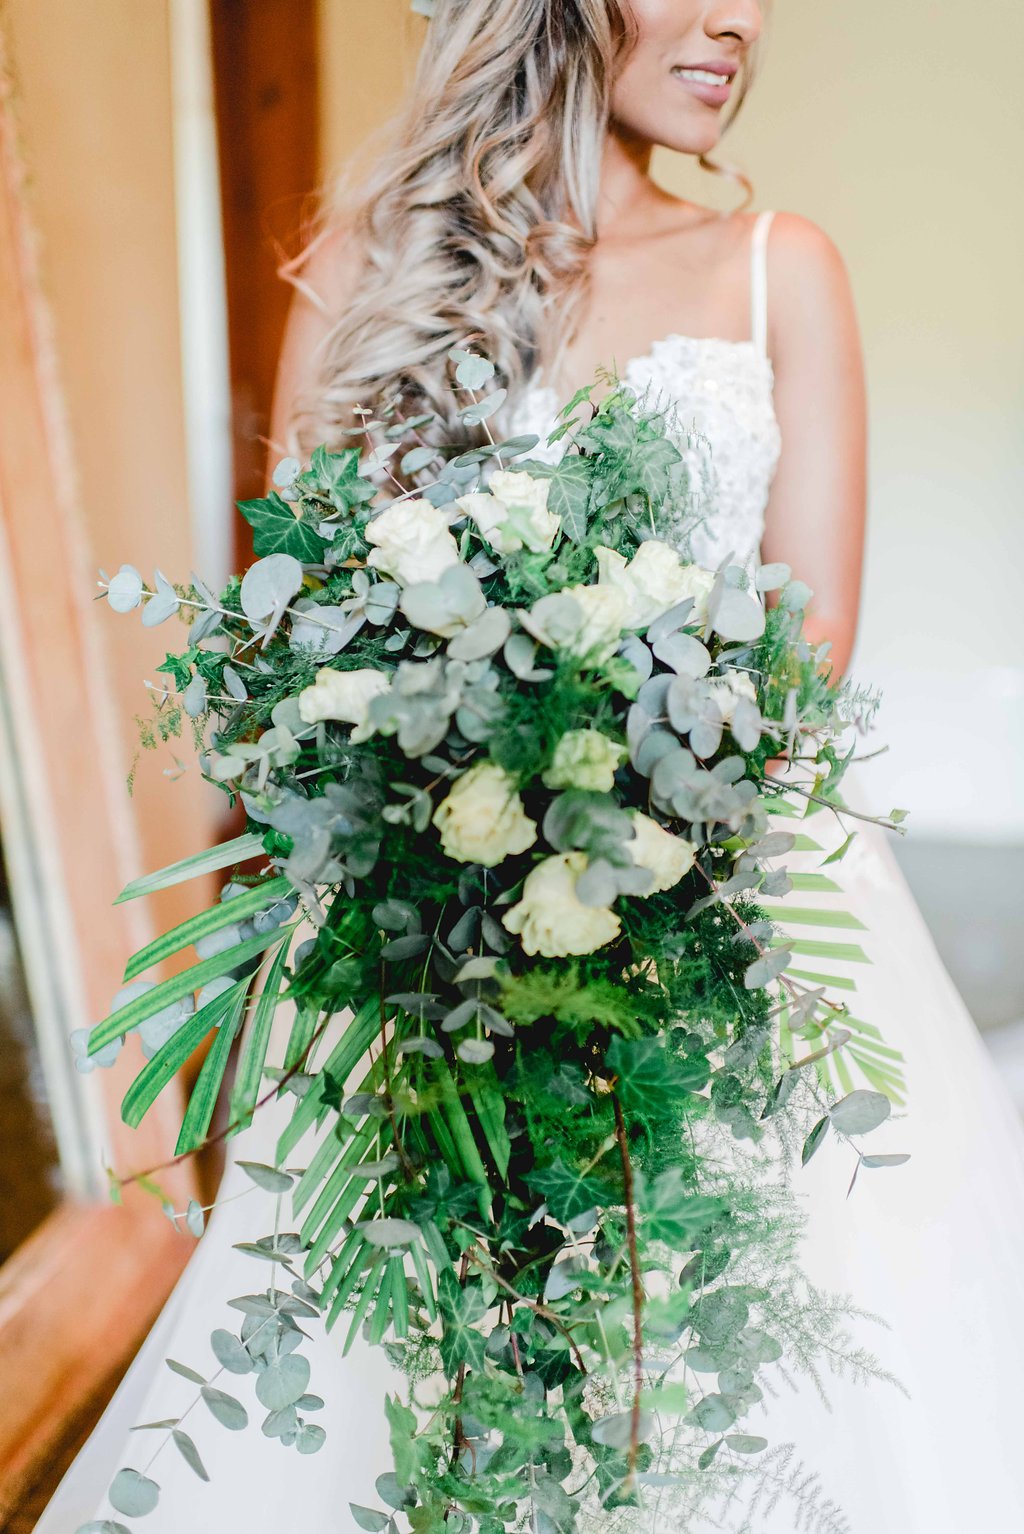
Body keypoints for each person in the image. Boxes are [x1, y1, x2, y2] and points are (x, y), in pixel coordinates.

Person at [39, 3, 1024, 1531]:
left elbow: (808, 653)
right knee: (399, 1396)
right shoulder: (367, 285)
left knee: (737, 1393)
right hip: (423, 969)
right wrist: (459, 840)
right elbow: (306, 652)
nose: (739, 20)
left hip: (734, 953)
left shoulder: (780, 270)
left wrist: (618, 819)